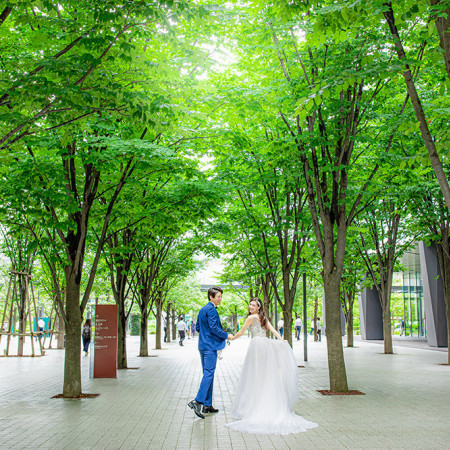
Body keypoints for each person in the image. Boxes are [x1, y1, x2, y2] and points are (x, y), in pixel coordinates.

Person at [225, 298, 317, 435]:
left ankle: (252, 406)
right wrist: (281, 340)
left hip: (256, 345)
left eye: (253, 305)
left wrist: (231, 338)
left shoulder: (251, 317)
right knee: (264, 374)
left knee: (255, 374)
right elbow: (273, 330)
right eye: (250, 304)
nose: (251, 307)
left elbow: (241, 332)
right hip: (265, 345)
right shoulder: (262, 317)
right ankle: (263, 403)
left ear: (258, 307)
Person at [188, 286, 233, 419]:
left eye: (221, 296)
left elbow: (198, 327)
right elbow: (213, 327)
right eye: (218, 297)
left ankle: (207, 405)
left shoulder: (202, 309)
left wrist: (206, 336)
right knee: (209, 373)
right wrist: (226, 335)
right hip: (209, 347)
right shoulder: (212, 310)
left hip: (202, 346)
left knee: (208, 373)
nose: (220, 299)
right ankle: (198, 401)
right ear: (211, 297)